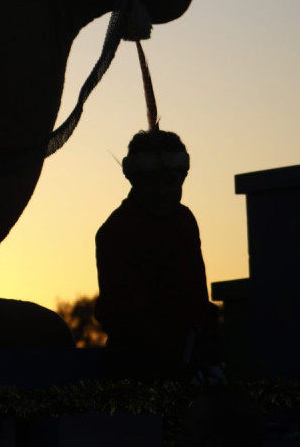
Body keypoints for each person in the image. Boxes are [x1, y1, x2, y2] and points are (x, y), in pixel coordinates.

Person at [95, 129, 222, 381]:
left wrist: (208, 346)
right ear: (134, 181)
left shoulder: (185, 220)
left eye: (169, 181)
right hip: (139, 368)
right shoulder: (117, 231)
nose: (162, 191)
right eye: (151, 182)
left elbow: (196, 296)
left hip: (194, 361)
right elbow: (126, 315)